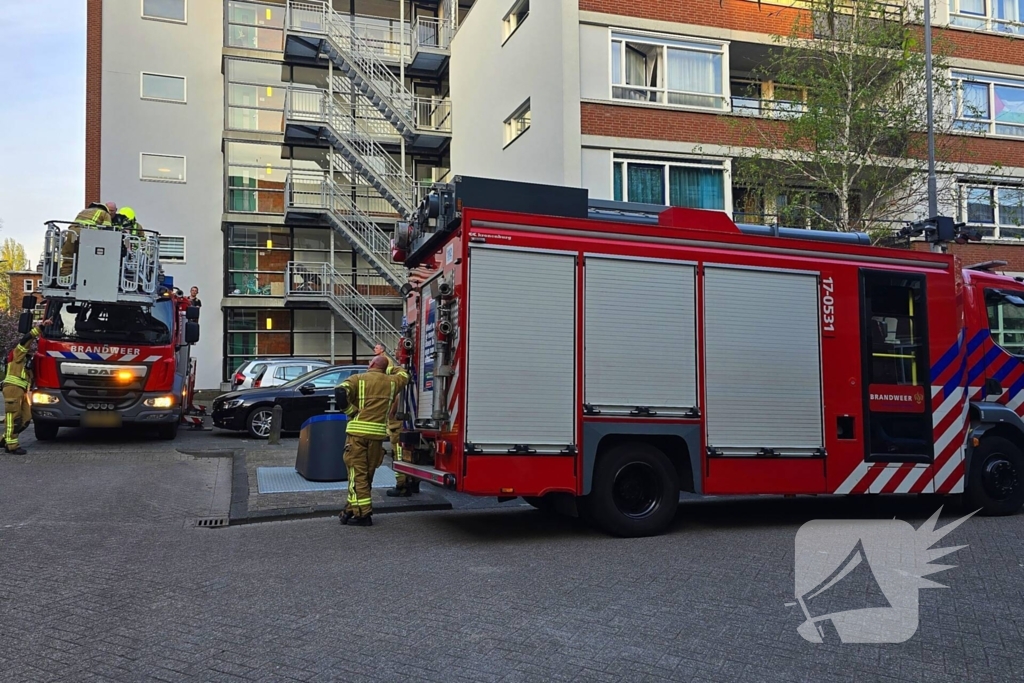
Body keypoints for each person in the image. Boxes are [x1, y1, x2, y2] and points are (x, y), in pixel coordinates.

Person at [335, 347, 410, 527]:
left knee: (356, 474)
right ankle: (351, 509)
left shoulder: (358, 379)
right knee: (366, 474)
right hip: (377, 437)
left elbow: (339, 393)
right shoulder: (392, 382)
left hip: (357, 435)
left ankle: (363, 515)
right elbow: (405, 375)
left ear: (370, 364)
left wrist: (351, 411)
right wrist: (389, 368)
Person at [2, 320, 50, 454]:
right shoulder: (17, 354)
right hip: (13, 388)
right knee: (14, 417)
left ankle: (5, 439)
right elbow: (25, 340)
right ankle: (12, 446)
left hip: (21, 390)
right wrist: (41, 328)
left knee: (26, 418)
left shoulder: (26, 362)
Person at [383, 346, 418, 497]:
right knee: (410, 454)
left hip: (397, 424)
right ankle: (414, 483)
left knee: (399, 454)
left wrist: (391, 413)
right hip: (408, 422)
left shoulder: (393, 380)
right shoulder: (403, 376)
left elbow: (396, 399)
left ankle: (402, 485)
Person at [60, 202, 115, 277]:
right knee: (89, 258)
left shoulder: (83, 211)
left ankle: (64, 279)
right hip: (87, 234)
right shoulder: (105, 213)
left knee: (69, 256)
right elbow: (107, 230)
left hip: (72, 233)